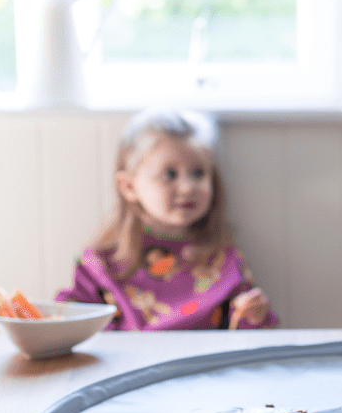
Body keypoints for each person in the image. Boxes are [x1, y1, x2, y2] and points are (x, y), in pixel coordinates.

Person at [56, 109, 277, 331]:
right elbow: (73, 325)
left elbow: (251, 337)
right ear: (129, 186)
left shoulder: (223, 259)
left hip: (203, 363)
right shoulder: (102, 262)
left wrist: (254, 315)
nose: (187, 187)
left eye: (198, 173)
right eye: (170, 174)